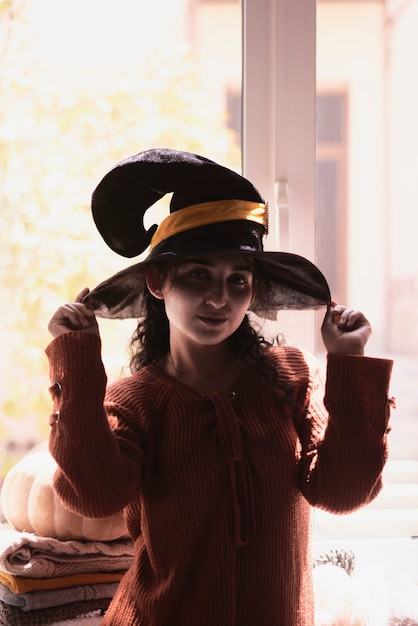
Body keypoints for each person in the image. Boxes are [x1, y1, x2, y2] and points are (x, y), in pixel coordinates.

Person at [46, 148, 393, 626]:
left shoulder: (288, 378)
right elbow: (96, 496)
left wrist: (349, 362)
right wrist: (77, 361)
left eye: (238, 280)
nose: (219, 298)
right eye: (197, 275)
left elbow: (343, 492)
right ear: (157, 280)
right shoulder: (134, 403)